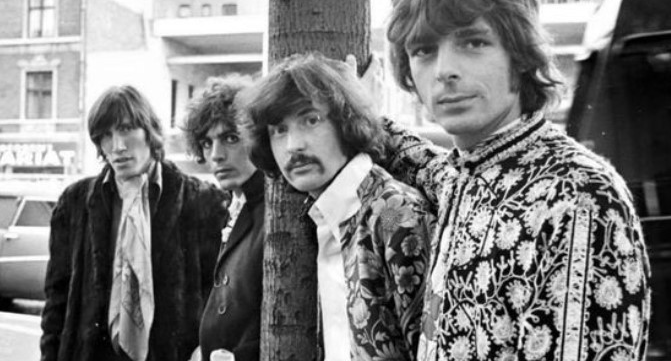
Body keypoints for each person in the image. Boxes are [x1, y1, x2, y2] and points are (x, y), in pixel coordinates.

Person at [378, 0, 651, 361]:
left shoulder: (577, 193)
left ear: (520, 53)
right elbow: (422, 161)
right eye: (423, 50)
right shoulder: (461, 175)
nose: (444, 70)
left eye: (474, 42)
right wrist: (361, 115)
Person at [243, 53, 434, 360]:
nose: (293, 145)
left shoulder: (395, 214)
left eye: (311, 120)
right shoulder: (328, 216)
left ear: (348, 123)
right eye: (279, 129)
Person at [40, 85, 227, 361]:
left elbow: (218, 298)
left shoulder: (202, 201)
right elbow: (56, 300)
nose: (117, 146)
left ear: (149, 132)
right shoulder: (75, 202)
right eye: (105, 135)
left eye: (126, 129)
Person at [182, 75, 263, 361]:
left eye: (230, 138)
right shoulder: (233, 205)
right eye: (206, 143)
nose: (216, 155)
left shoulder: (275, 212)